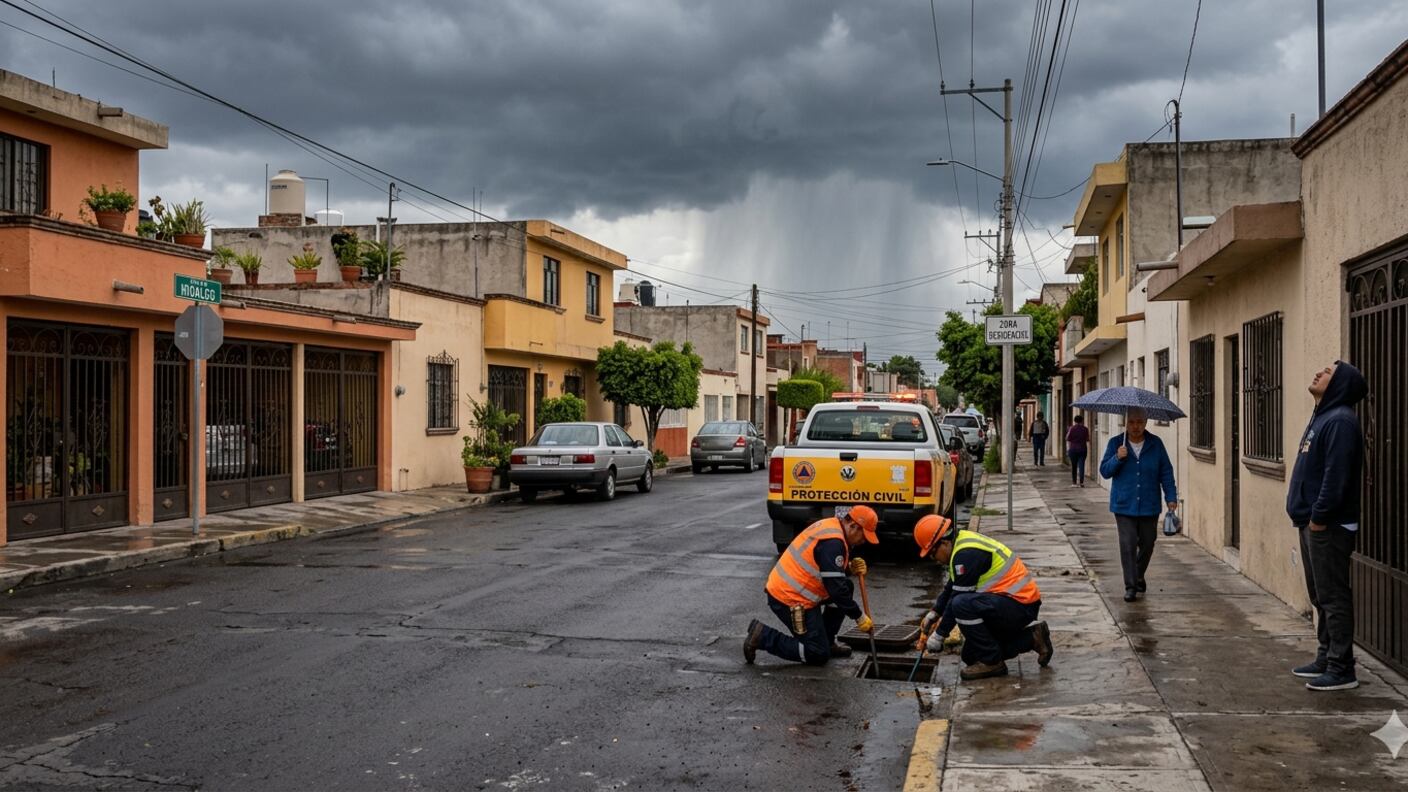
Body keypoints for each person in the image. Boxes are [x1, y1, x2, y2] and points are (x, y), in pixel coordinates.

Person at [1286, 361, 1367, 692]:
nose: (1319, 373)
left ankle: (1341, 666)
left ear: (1340, 385)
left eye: (1328, 372)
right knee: (1319, 595)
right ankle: (1325, 655)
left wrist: (1319, 517)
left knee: (1333, 596)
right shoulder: (1322, 417)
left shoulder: (1341, 422)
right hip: (1312, 523)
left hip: (1328, 526)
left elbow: (1336, 476)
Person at [913, 514, 1053, 680]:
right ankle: (1033, 638)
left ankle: (993, 663)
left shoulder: (966, 555)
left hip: (1020, 606)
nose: (934, 559)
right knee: (971, 657)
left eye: (932, 554)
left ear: (943, 543)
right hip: (1006, 604)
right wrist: (935, 612)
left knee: (961, 604)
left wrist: (939, 636)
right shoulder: (960, 545)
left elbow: (957, 597)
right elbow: (952, 586)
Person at [744, 506, 878, 666]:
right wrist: (859, 616)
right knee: (818, 653)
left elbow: (828, 572)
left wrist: (849, 568)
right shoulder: (833, 542)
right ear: (853, 525)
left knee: (846, 587)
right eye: (864, 536)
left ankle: (827, 641)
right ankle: (762, 636)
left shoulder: (834, 528)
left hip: (798, 591)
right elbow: (835, 588)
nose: (863, 541)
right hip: (789, 598)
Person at [1098, 407, 1178, 603]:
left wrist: (1171, 497)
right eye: (1132, 422)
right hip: (1124, 504)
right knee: (1128, 544)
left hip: (1149, 504)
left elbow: (1166, 472)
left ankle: (1139, 574)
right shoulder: (1116, 443)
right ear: (1126, 423)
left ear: (1146, 422)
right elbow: (1105, 471)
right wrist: (1118, 458)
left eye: (1139, 422)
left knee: (1148, 543)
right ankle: (1131, 585)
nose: (1135, 426)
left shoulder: (1156, 444)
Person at [1066, 415, 1090, 487]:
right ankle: (1081, 483)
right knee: (1081, 465)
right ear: (1082, 421)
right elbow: (1088, 439)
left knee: (1074, 466)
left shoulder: (1072, 428)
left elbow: (1067, 438)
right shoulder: (1085, 429)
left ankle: (1074, 483)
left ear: (1074, 421)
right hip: (1083, 449)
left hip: (1073, 449)